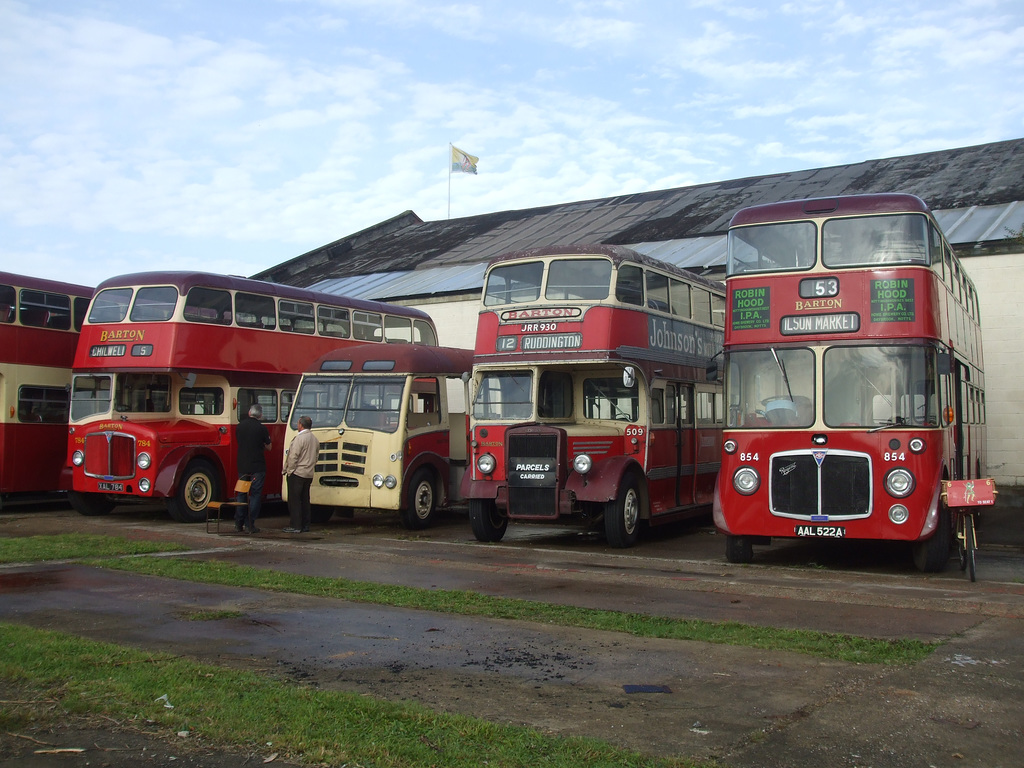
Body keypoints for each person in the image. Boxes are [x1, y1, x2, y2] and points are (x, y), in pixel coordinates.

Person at [235, 403, 271, 534]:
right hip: (257, 466)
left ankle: (238, 523)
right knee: (255, 495)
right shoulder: (262, 429)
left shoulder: (240, 426)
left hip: (243, 466)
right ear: (260, 415)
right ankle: (250, 524)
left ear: (249, 413)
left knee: (241, 493)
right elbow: (269, 447)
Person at [283, 415, 318, 533]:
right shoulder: (314, 439)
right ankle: (305, 525)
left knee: (294, 500)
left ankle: (295, 525)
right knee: (305, 499)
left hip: (297, 473)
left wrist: (289, 470)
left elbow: (293, 456)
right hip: (308, 473)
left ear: (300, 425)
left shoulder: (299, 439)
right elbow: (316, 456)